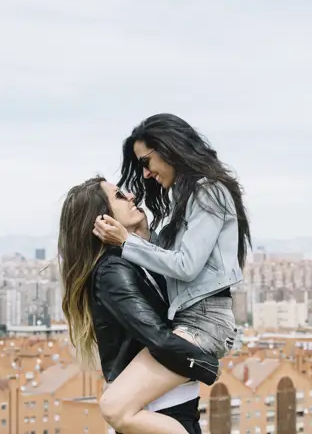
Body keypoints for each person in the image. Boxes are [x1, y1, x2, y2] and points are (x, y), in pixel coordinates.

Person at [92, 113, 251, 433]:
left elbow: (185, 266)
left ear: (170, 148)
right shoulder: (189, 198)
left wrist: (126, 242)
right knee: (115, 404)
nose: (147, 173)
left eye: (147, 161)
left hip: (204, 322)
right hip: (192, 320)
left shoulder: (210, 192)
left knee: (113, 405)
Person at [59, 176, 219, 433]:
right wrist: (207, 364)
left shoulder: (135, 258)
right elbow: (157, 335)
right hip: (154, 412)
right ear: (102, 219)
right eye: (120, 196)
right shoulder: (113, 270)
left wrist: (143, 234)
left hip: (168, 409)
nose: (132, 196)